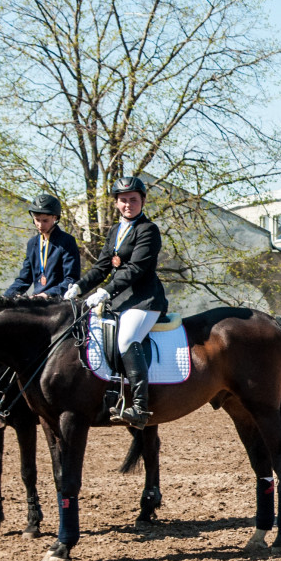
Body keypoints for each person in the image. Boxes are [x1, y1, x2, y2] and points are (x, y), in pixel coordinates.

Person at [62, 176, 168, 428]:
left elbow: (136, 268)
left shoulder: (148, 230)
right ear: (116, 204)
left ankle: (141, 407)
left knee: (127, 339)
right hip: (120, 300)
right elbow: (101, 267)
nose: (128, 204)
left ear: (142, 201)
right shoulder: (115, 231)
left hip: (144, 300)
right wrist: (79, 286)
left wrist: (106, 291)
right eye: (123, 200)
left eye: (133, 199)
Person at [4, 194, 80, 298]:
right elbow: (24, 279)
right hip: (37, 301)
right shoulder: (32, 244)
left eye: (45, 221)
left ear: (55, 218)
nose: (40, 225)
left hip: (59, 301)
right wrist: (6, 297)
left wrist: (47, 294)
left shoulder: (67, 241)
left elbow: (71, 279)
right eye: (37, 220)